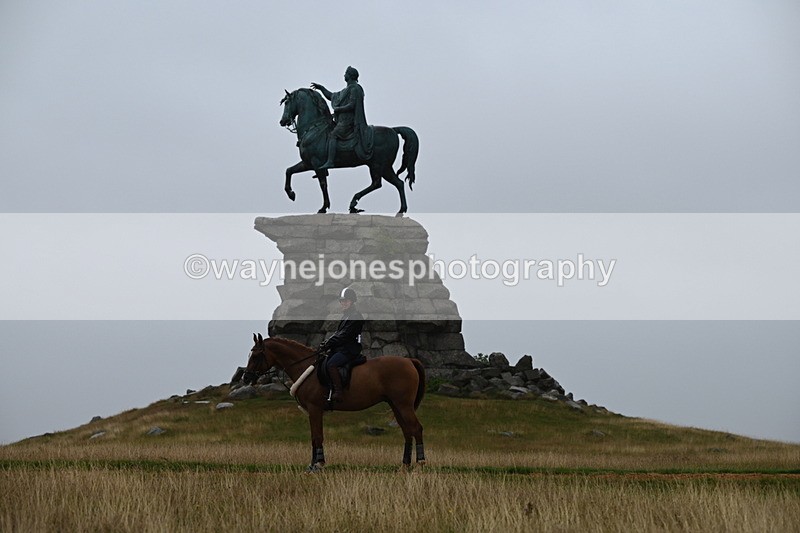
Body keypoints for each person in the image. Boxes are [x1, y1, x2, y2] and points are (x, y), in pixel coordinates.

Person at [311, 66, 374, 169]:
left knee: (333, 135)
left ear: (350, 76)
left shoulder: (355, 88)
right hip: (341, 121)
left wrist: (339, 109)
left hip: (348, 122)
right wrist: (321, 88)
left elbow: (352, 104)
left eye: (345, 73)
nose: (344, 75)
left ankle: (330, 161)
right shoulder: (345, 90)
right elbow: (332, 96)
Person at [319, 287, 364, 402]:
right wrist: (326, 343)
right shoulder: (346, 316)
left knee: (332, 364)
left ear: (352, 301)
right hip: (343, 348)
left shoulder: (355, 316)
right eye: (341, 301)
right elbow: (338, 333)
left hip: (350, 349)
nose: (343, 303)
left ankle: (339, 392)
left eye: (346, 300)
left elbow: (344, 335)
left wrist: (328, 344)